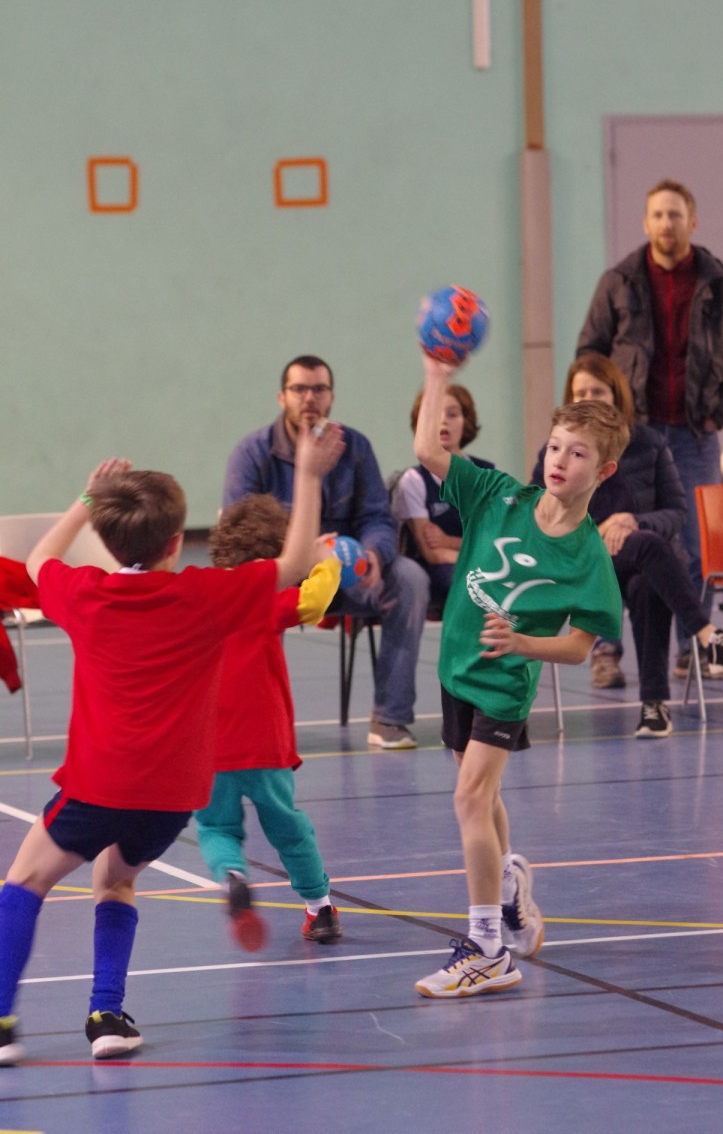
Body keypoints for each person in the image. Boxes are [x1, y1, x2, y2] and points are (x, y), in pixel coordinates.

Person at [0, 422, 343, 1066]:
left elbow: (41, 559)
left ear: (107, 539)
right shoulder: (204, 594)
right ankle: (106, 1017)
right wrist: (307, 475)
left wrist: (86, 498)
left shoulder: (84, 592)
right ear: (178, 541)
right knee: (115, 882)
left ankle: (2, 1022)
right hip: (171, 800)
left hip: (97, 786)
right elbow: (296, 565)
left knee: (24, 880)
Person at [412, 351, 628, 999]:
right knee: (479, 794)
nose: (560, 460)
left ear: (605, 470)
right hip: (457, 667)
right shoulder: (497, 494)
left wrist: (522, 642)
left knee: (469, 799)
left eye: (578, 454)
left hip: (505, 685)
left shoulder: (587, 555)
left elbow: (580, 647)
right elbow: (427, 449)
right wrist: (436, 373)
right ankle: (507, 883)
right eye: (555, 446)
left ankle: (487, 950)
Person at [577, 179, 723, 675]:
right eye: (657, 214)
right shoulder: (618, 281)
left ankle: (690, 649)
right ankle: (606, 650)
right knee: (612, 539)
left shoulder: (721, 284)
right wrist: (605, 416)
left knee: (696, 545)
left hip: (694, 435)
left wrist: (720, 411)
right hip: (629, 438)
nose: (666, 223)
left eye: (675, 214)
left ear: (692, 222)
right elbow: (590, 353)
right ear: (645, 222)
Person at [532, 353, 723, 738]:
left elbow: (677, 512)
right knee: (650, 546)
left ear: (616, 395)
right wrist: (596, 532)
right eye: (581, 392)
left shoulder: (648, 444)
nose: (590, 398)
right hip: (577, 563)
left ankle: (655, 709)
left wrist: (634, 522)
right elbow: (539, 515)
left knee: (646, 580)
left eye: (598, 391)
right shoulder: (556, 451)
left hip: (635, 562)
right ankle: (708, 637)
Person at [223, 355, 430, 751]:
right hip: (284, 574)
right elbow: (238, 534)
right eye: (299, 389)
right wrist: (299, 557)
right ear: (282, 397)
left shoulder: (356, 447)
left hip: (348, 573)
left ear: (331, 396)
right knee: (250, 595)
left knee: (410, 579)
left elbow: (378, 517)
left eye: (319, 389)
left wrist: (373, 554)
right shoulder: (252, 453)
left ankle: (389, 719)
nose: (309, 398)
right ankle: (261, 725)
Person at [195, 494, 343, 952]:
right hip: (265, 742)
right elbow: (315, 602)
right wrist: (326, 560)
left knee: (216, 828)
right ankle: (319, 906)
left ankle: (233, 876)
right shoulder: (265, 598)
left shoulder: (200, 596)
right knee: (288, 826)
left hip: (208, 746)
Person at [393, 383, 493, 612]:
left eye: (452, 414)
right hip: (440, 572)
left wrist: (449, 541)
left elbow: (494, 543)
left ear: (466, 421)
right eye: (434, 414)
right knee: (469, 582)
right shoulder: (414, 481)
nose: (443, 421)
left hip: (481, 564)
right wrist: (479, 559)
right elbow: (433, 553)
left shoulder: (486, 475)